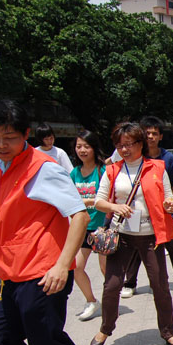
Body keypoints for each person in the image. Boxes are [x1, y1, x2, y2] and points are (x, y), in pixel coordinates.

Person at [0, 99, 107, 345]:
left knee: (46, 344)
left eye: (10, 137)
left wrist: (62, 266)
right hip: (9, 273)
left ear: (26, 135)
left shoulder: (41, 168)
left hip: (43, 273)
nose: (2, 144)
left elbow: (79, 216)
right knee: (1, 340)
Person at [90, 122, 173, 345]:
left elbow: (168, 198)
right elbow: (98, 201)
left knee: (160, 286)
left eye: (130, 144)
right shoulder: (112, 170)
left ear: (141, 144)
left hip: (151, 236)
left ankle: (168, 332)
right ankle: (106, 328)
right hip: (121, 235)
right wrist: (115, 206)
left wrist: (172, 205)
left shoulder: (157, 167)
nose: (125, 149)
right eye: (120, 145)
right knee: (112, 285)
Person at [120, 116, 173, 297]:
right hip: (139, 211)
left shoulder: (167, 158)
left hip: (164, 210)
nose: (150, 136)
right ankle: (129, 282)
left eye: (154, 133)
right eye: (147, 133)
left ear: (160, 136)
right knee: (135, 247)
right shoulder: (136, 156)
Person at [70, 130, 108, 321]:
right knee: (76, 266)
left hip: (102, 226)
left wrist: (86, 202)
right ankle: (91, 301)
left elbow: (108, 197)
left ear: (94, 148)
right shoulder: (74, 173)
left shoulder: (102, 171)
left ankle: (111, 302)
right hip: (82, 227)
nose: (82, 150)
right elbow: (68, 198)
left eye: (86, 146)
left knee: (105, 269)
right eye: (78, 146)